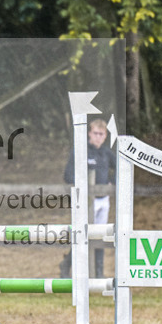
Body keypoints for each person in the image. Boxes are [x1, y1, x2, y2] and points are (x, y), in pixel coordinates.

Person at [59, 118, 113, 278]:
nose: (98, 136)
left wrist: (112, 182)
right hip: (86, 201)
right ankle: (67, 265)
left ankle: (98, 273)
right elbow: (68, 175)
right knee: (81, 236)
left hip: (103, 200)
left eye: (101, 134)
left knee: (100, 236)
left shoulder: (106, 153)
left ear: (105, 136)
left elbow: (119, 170)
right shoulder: (80, 151)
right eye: (95, 133)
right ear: (89, 133)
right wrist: (83, 183)